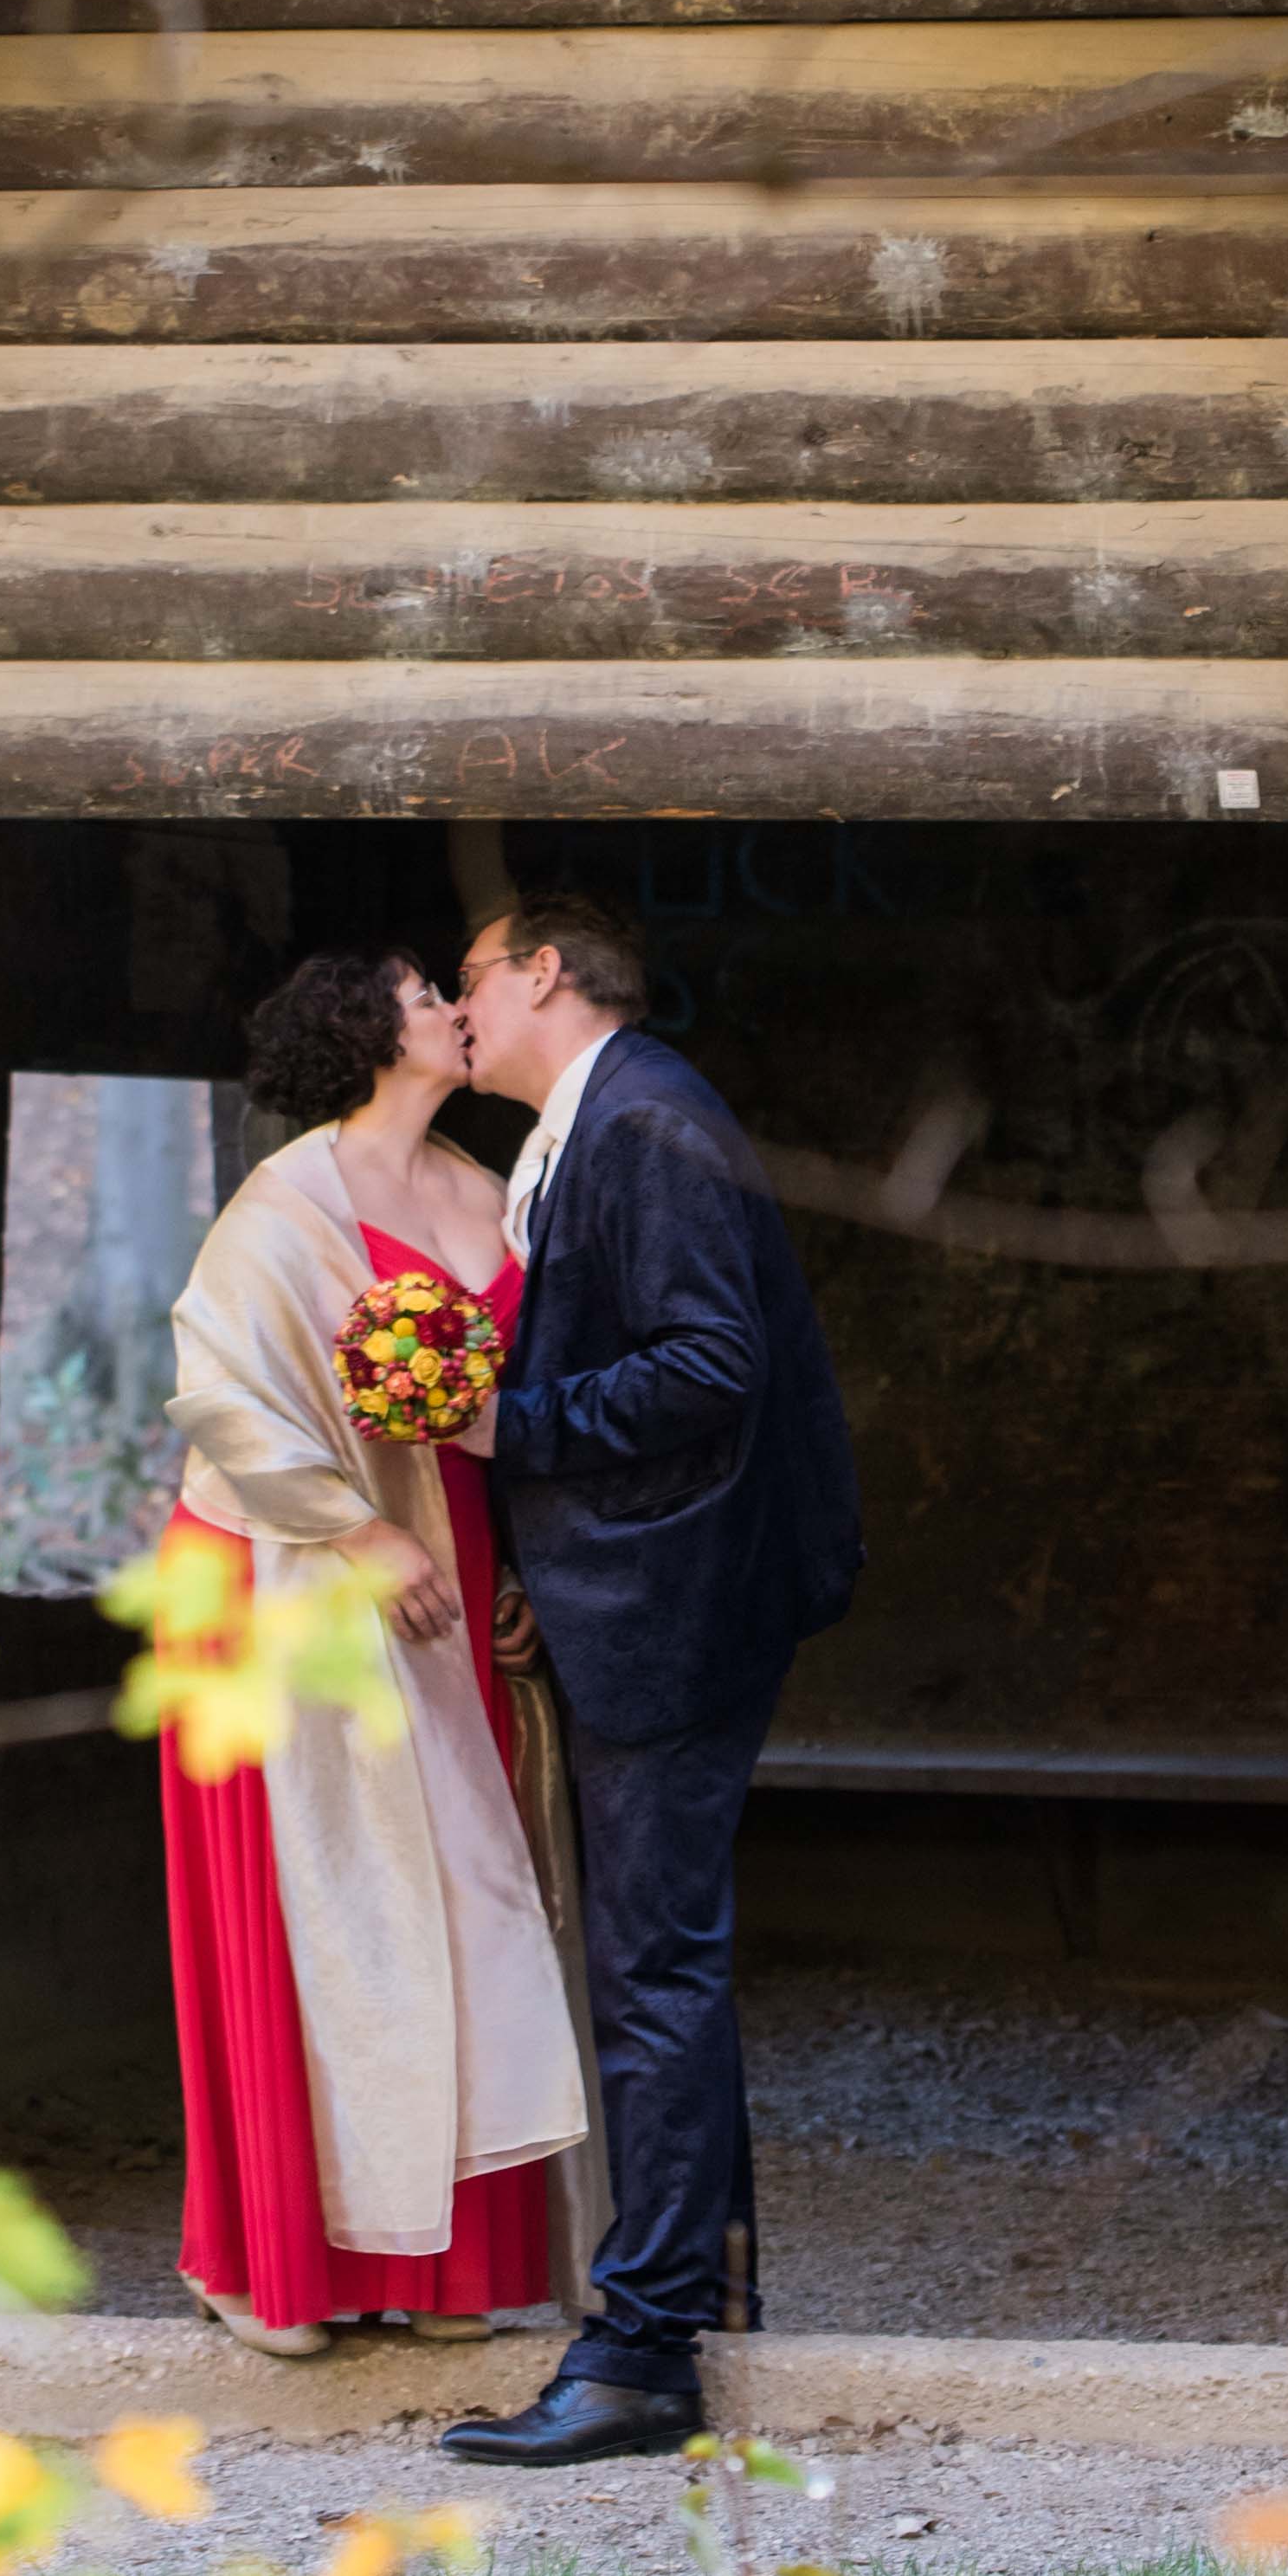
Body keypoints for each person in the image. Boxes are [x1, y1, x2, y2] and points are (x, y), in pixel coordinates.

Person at [438, 893, 861, 2472]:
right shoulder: (597, 1121)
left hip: (678, 1609)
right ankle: (702, 2298)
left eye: (472, 979)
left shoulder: (648, 1121)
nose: (459, 1010)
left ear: (545, 970)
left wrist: (513, 1431)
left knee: (652, 1971)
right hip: (630, 1596)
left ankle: (641, 2353)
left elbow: (709, 1363)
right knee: (657, 1963)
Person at [155, 946, 590, 2353]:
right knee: (312, 1913)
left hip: (452, 1565)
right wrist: (355, 1532)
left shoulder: (488, 1190)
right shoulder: (285, 1204)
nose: (454, 1012)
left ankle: (447, 2267)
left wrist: (518, 1568)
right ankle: (266, 2264)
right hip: (282, 1573)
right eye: (424, 997)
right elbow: (218, 1393)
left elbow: (526, 1404)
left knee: (460, 1900)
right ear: (365, 1033)